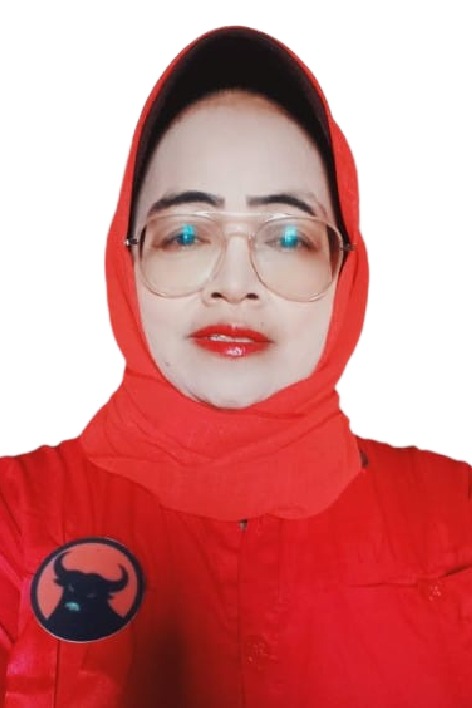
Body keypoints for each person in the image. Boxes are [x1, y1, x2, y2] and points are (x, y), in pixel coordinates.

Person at [0, 25, 471, 707]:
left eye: (290, 237)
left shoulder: (456, 521)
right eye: (186, 233)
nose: (234, 283)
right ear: (125, 259)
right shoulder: (15, 520)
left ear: (347, 271)